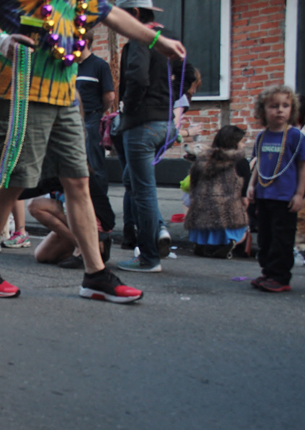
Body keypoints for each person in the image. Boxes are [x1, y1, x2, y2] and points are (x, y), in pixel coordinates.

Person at [0, 0, 185, 302]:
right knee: (13, 182)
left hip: (65, 98)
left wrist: (156, 40)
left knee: (79, 181)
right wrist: (1, 40)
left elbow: (112, 14)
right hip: (20, 93)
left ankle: (95, 274)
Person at [115, 0, 187, 273]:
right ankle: (158, 232)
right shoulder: (169, 38)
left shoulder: (139, 39)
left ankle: (148, 257)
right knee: (133, 182)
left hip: (142, 125)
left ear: (133, 14)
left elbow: (137, 77)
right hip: (165, 124)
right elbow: (188, 74)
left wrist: (128, 109)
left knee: (143, 190)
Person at [247, 85, 305, 293]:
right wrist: (251, 185)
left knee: (282, 238)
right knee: (265, 237)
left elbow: (302, 165)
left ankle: (280, 276)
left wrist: (300, 194)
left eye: (285, 106)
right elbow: (259, 163)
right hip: (265, 195)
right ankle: (268, 272)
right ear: (263, 111)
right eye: (274, 106)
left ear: (292, 110)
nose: (280, 110)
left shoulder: (295, 136)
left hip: (285, 197)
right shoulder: (262, 137)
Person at [184, 125, 250, 259]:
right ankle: (232, 242)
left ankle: (202, 244)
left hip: (202, 207)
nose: (244, 145)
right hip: (227, 208)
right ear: (233, 143)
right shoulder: (240, 161)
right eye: (242, 141)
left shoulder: (204, 158)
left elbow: (194, 180)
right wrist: (245, 200)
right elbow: (245, 186)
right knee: (242, 222)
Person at [76, 30, 115, 195]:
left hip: (92, 118)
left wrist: (97, 111)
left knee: (95, 163)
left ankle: (100, 206)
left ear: (84, 41)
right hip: (71, 120)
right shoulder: (69, 66)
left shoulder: (99, 65)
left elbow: (109, 96)